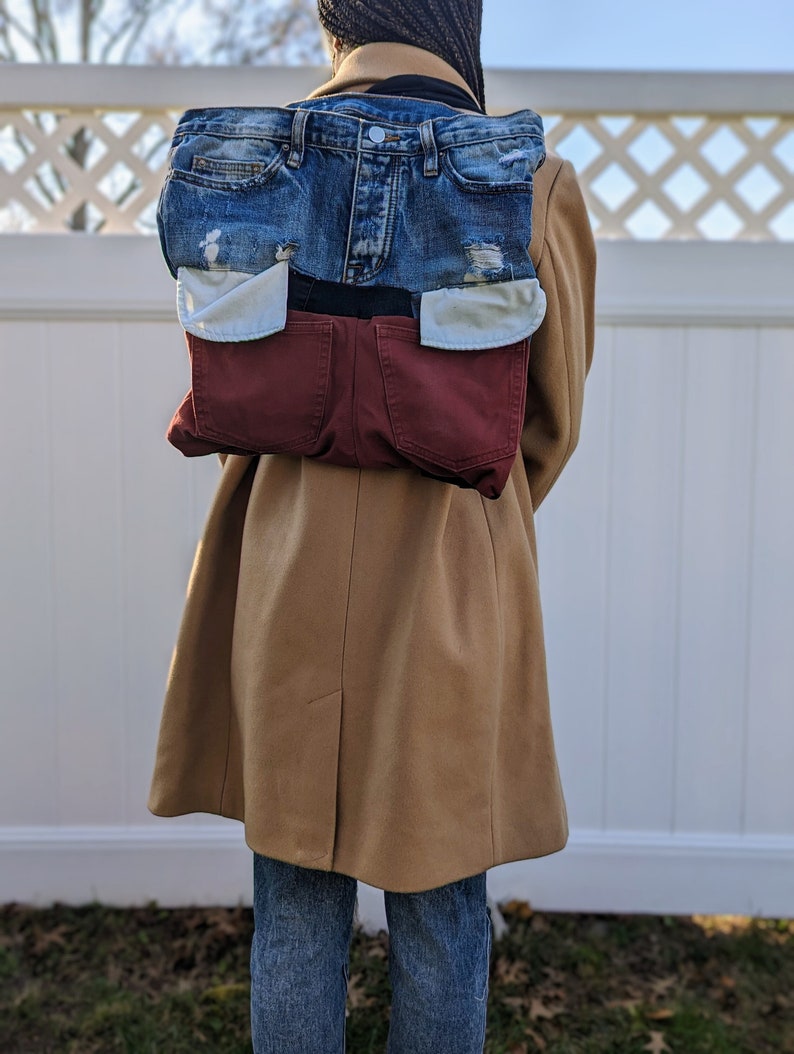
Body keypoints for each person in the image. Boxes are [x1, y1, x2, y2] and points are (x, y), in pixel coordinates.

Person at [147, 0, 596, 1049]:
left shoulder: (247, 164)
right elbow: (547, 421)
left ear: (334, 20)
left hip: (284, 561)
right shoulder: (527, 181)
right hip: (448, 567)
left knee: (294, 903)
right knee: (441, 908)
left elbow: (235, 372)